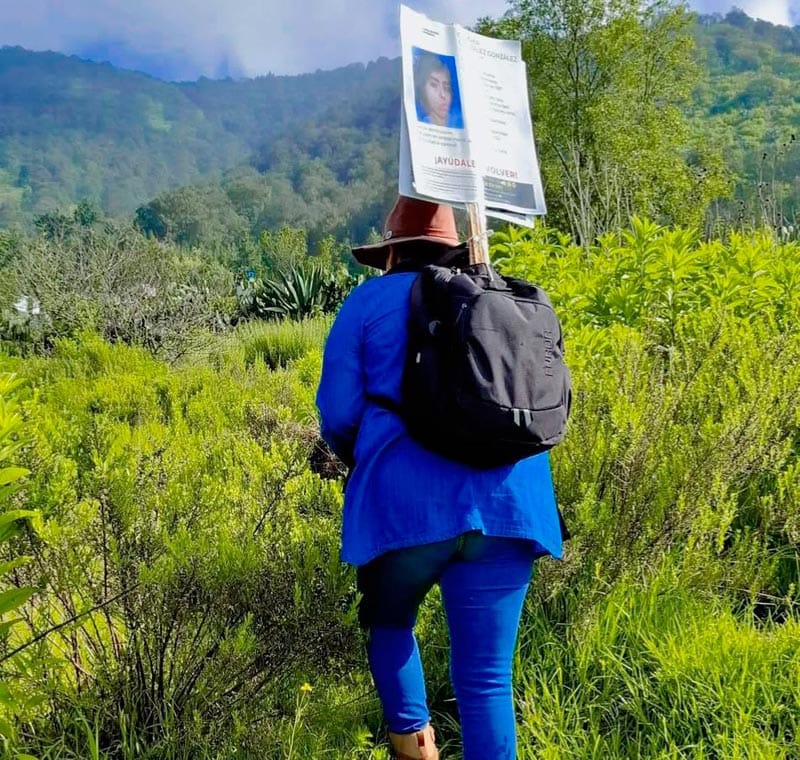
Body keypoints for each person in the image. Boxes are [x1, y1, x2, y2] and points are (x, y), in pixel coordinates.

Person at [316, 196, 565, 760]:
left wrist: (360, 457)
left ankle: (417, 750)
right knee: (487, 678)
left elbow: (337, 413)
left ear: (392, 251)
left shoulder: (368, 302)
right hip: (510, 503)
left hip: (407, 506)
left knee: (390, 621)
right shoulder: (502, 297)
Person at [414, 53, 463, 129]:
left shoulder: (460, 122)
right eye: (434, 85)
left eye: (446, 88)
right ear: (422, 90)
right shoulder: (419, 125)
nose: (443, 95)